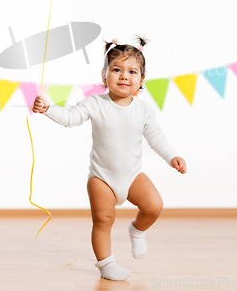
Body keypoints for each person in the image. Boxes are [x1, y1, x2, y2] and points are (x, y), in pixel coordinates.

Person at [32, 35, 187, 281]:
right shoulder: (96, 103)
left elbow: (156, 137)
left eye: (132, 71)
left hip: (132, 176)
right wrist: (49, 108)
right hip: (102, 177)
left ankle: (136, 231)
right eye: (116, 69)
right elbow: (71, 117)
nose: (124, 76)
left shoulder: (143, 110)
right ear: (104, 76)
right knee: (103, 219)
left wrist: (172, 156)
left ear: (141, 79)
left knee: (154, 206)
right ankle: (106, 263)